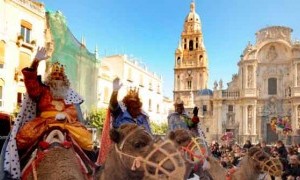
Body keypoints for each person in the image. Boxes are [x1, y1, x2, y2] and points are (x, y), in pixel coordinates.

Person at [1, 47, 93, 179]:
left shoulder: (69, 95)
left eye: (60, 76)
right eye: (54, 76)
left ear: (64, 80)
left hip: (65, 124)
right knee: (22, 138)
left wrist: (65, 114)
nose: (57, 78)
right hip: (44, 123)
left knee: (87, 140)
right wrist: (36, 61)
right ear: (50, 78)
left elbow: (73, 110)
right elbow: (32, 86)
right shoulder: (43, 90)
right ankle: (16, 168)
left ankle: (90, 168)